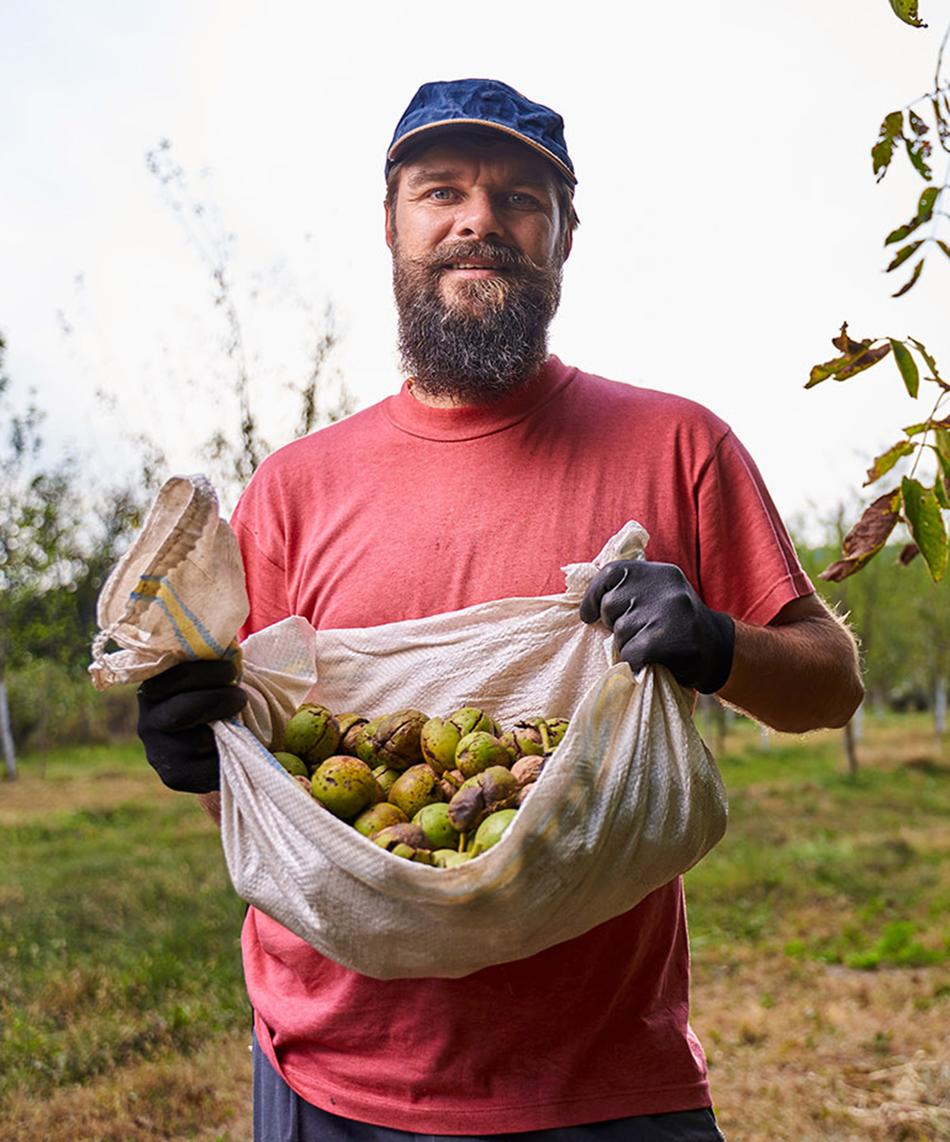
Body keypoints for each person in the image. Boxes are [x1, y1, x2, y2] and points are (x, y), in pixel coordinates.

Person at [137, 79, 864, 1141]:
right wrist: (203, 760)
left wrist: (715, 642)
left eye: (521, 197)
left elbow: (829, 684)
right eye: (440, 191)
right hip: (330, 1077)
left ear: (564, 235)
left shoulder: (676, 444)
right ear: (391, 225)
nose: (479, 218)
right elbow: (278, 809)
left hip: (602, 1082)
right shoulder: (293, 486)